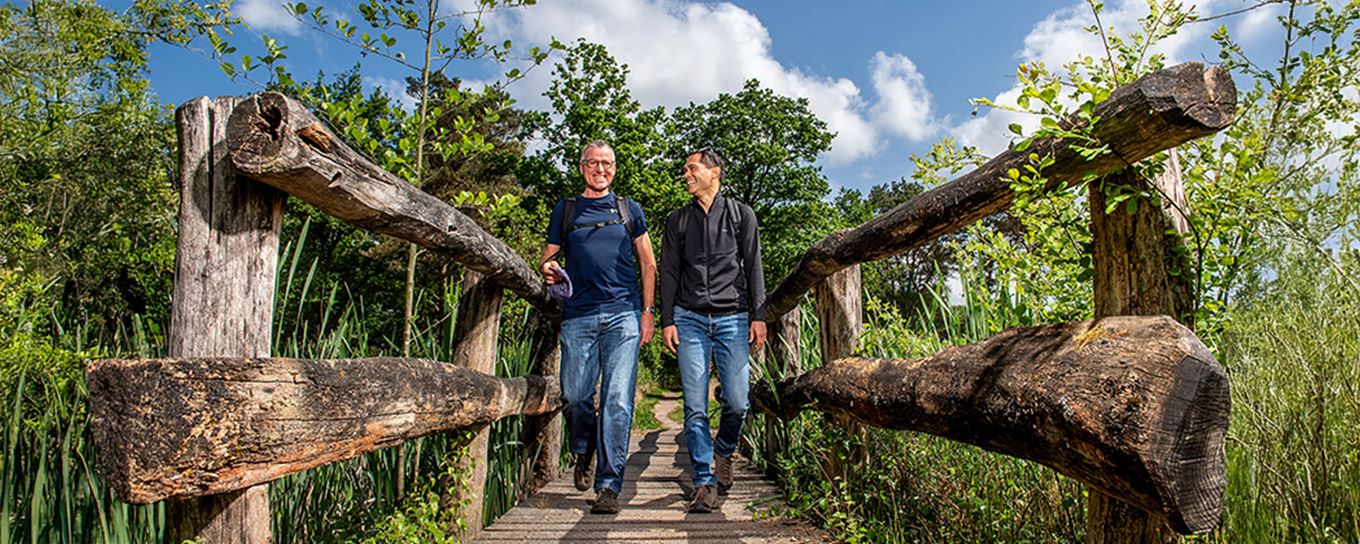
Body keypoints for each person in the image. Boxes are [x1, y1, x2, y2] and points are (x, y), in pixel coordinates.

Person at [540, 140, 657, 515]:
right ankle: (583, 447)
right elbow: (548, 257)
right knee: (575, 396)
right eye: (593, 163)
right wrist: (547, 268)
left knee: (617, 400)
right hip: (579, 315)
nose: (600, 169)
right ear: (581, 168)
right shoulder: (566, 208)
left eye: (607, 163)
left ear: (615, 168)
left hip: (623, 314)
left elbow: (649, 264)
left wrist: (648, 311)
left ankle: (609, 485)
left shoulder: (629, 209)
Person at [659, 146, 766, 514]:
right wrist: (667, 319)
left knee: (737, 402)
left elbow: (753, 266)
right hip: (688, 319)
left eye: (691, 169)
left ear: (714, 171)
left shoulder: (741, 215)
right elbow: (669, 272)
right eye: (685, 170)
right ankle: (704, 481)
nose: (685, 175)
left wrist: (759, 314)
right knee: (694, 406)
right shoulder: (678, 221)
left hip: (732, 317)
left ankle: (723, 451)